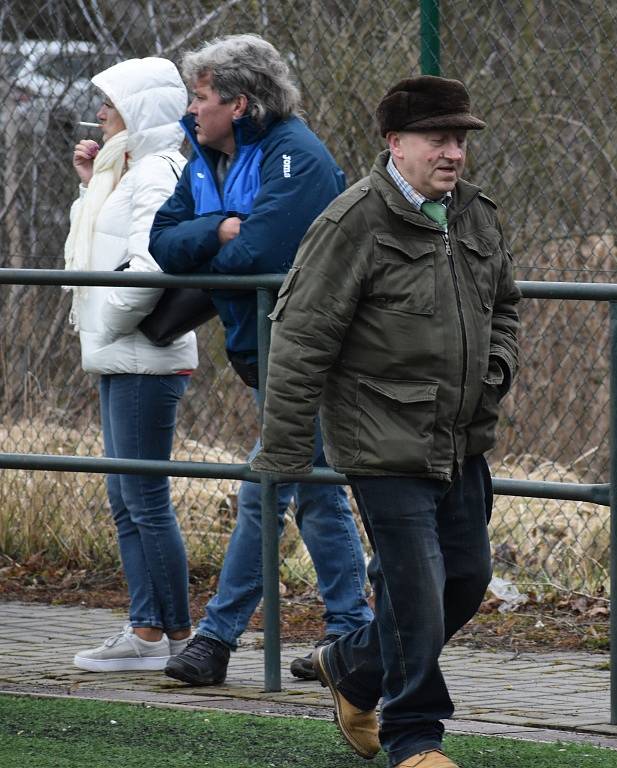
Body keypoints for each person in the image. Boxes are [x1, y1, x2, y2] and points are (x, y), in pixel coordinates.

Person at [252, 76, 521, 768]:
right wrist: (283, 454)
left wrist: (495, 374)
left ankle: (353, 666)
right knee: (417, 593)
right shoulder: (351, 224)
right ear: (394, 143)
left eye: (460, 139)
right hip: (382, 443)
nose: (454, 153)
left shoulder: (476, 215)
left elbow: (506, 308)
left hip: (460, 441)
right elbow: (300, 339)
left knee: (464, 581)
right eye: (438, 138)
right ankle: (414, 739)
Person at [149, 33, 372, 686]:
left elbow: (262, 257)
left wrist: (213, 251)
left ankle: (216, 638)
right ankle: (351, 636)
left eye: (202, 96)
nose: (192, 109)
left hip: (311, 355)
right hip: (262, 355)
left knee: (267, 487)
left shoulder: (294, 157)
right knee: (314, 488)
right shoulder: (203, 160)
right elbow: (165, 243)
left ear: (239, 104)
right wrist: (218, 230)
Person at [64, 58, 197, 672]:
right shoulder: (128, 170)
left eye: (111, 105)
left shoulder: (158, 172)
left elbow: (150, 267)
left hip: (143, 353)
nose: (100, 115)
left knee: (143, 497)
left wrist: (107, 321)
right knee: (127, 496)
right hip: (120, 354)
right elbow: (99, 246)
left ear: (139, 111)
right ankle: (153, 630)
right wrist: (92, 183)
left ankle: (161, 633)